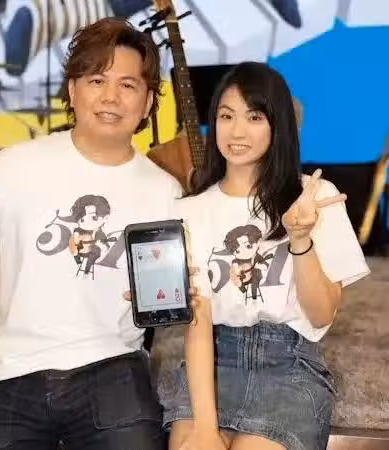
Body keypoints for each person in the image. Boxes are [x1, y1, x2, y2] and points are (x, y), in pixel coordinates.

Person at [0, 18, 182, 450]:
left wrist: (163, 299)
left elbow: (167, 303)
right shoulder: (17, 163)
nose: (110, 97)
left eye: (127, 85)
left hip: (113, 366)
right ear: (73, 90)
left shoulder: (164, 192)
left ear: (147, 103)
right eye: (97, 80)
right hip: (10, 370)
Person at [161, 62, 370, 450]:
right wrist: (205, 429)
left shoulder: (315, 197)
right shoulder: (187, 211)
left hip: (287, 368)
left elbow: (321, 314)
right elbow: (197, 322)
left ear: (279, 125)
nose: (237, 131)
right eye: (226, 116)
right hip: (210, 365)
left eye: (254, 117)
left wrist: (300, 239)